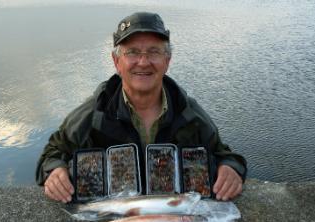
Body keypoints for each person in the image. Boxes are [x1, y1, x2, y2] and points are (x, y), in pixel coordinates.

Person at [36, 12, 247, 203]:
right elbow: (52, 153)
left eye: (154, 52)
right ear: (116, 61)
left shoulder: (191, 115)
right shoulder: (92, 115)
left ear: (167, 60)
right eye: (133, 52)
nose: (143, 62)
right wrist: (54, 171)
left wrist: (230, 168)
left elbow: (224, 154)